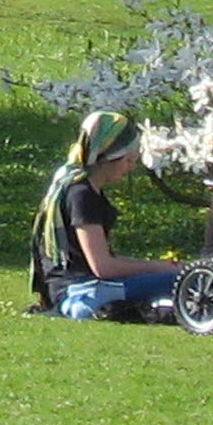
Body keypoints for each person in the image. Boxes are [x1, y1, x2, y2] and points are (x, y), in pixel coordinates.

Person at [30, 110, 179, 319]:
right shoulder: (81, 195)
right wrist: (157, 267)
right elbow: (103, 267)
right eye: (128, 161)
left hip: (80, 286)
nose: (130, 168)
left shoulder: (82, 189)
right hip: (80, 291)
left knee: (169, 278)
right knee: (179, 279)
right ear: (110, 157)